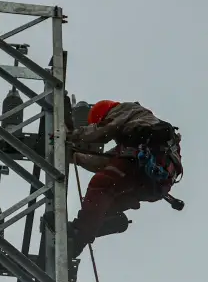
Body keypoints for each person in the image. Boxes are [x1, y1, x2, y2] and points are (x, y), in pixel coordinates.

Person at [65, 99, 183, 258]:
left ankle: (79, 235)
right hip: (156, 182)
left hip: (141, 164)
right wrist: (75, 156)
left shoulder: (125, 110)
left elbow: (104, 130)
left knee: (101, 187)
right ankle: (108, 219)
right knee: (105, 200)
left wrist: (70, 135)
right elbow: (104, 161)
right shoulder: (133, 136)